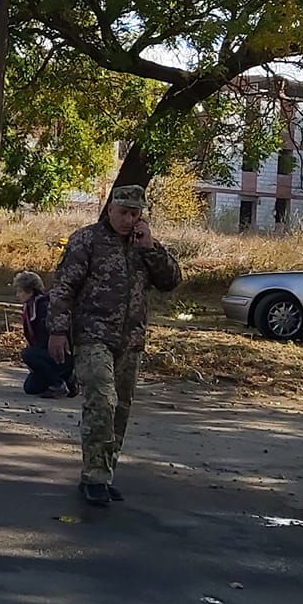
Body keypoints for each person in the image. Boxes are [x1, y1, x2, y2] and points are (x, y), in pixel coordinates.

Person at [47, 183, 182, 508]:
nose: (128, 219)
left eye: (135, 213)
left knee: (119, 409)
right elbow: (64, 287)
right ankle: (94, 475)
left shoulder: (144, 246)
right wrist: (57, 330)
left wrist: (150, 247)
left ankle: (103, 474)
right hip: (93, 335)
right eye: (123, 212)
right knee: (103, 402)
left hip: (130, 339)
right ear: (110, 210)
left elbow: (171, 281)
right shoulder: (88, 240)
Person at [14, 270, 72, 397]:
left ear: (30, 291)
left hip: (58, 353)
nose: (17, 295)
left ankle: (58, 383)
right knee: (30, 387)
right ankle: (67, 381)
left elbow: (45, 337)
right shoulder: (31, 307)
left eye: (20, 291)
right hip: (48, 353)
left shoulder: (43, 307)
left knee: (28, 354)